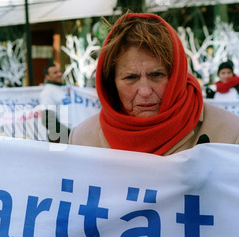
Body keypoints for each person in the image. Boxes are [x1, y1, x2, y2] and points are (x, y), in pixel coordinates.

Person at [70, 13, 239, 156]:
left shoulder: (231, 134)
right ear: (111, 83)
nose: (144, 91)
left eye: (157, 75)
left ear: (177, 76)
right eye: (130, 77)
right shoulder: (82, 140)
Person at [39, 64, 70, 143]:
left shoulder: (62, 88)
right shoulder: (47, 92)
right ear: (47, 76)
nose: (59, 74)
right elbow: (48, 120)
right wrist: (67, 134)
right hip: (64, 138)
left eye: (59, 71)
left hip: (75, 134)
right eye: (55, 73)